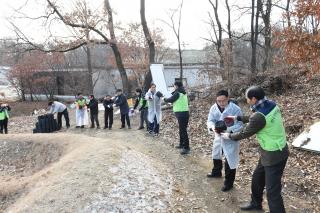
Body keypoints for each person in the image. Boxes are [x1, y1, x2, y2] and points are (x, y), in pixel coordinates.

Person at [220, 86, 289, 212]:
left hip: (274, 155)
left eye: (247, 99)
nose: (246, 101)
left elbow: (244, 133)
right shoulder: (271, 104)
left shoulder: (259, 116)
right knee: (257, 178)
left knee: (273, 192)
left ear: (253, 99)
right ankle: (256, 203)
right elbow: (256, 118)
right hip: (270, 151)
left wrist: (228, 136)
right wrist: (238, 118)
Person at [206, 90, 243, 192]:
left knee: (230, 159)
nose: (221, 103)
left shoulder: (235, 109)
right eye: (219, 101)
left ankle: (229, 183)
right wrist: (212, 128)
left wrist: (228, 130)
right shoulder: (213, 108)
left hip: (230, 137)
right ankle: (216, 172)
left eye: (223, 101)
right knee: (216, 153)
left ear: (228, 98)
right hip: (218, 135)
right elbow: (210, 120)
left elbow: (240, 124)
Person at [164, 81, 190, 155]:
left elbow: (171, 99)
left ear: (176, 86)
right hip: (185, 113)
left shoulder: (178, 93)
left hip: (181, 114)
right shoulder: (183, 92)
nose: (174, 87)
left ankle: (186, 147)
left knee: (183, 130)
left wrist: (164, 99)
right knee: (181, 129)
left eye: (174, 86)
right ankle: (181, 144)